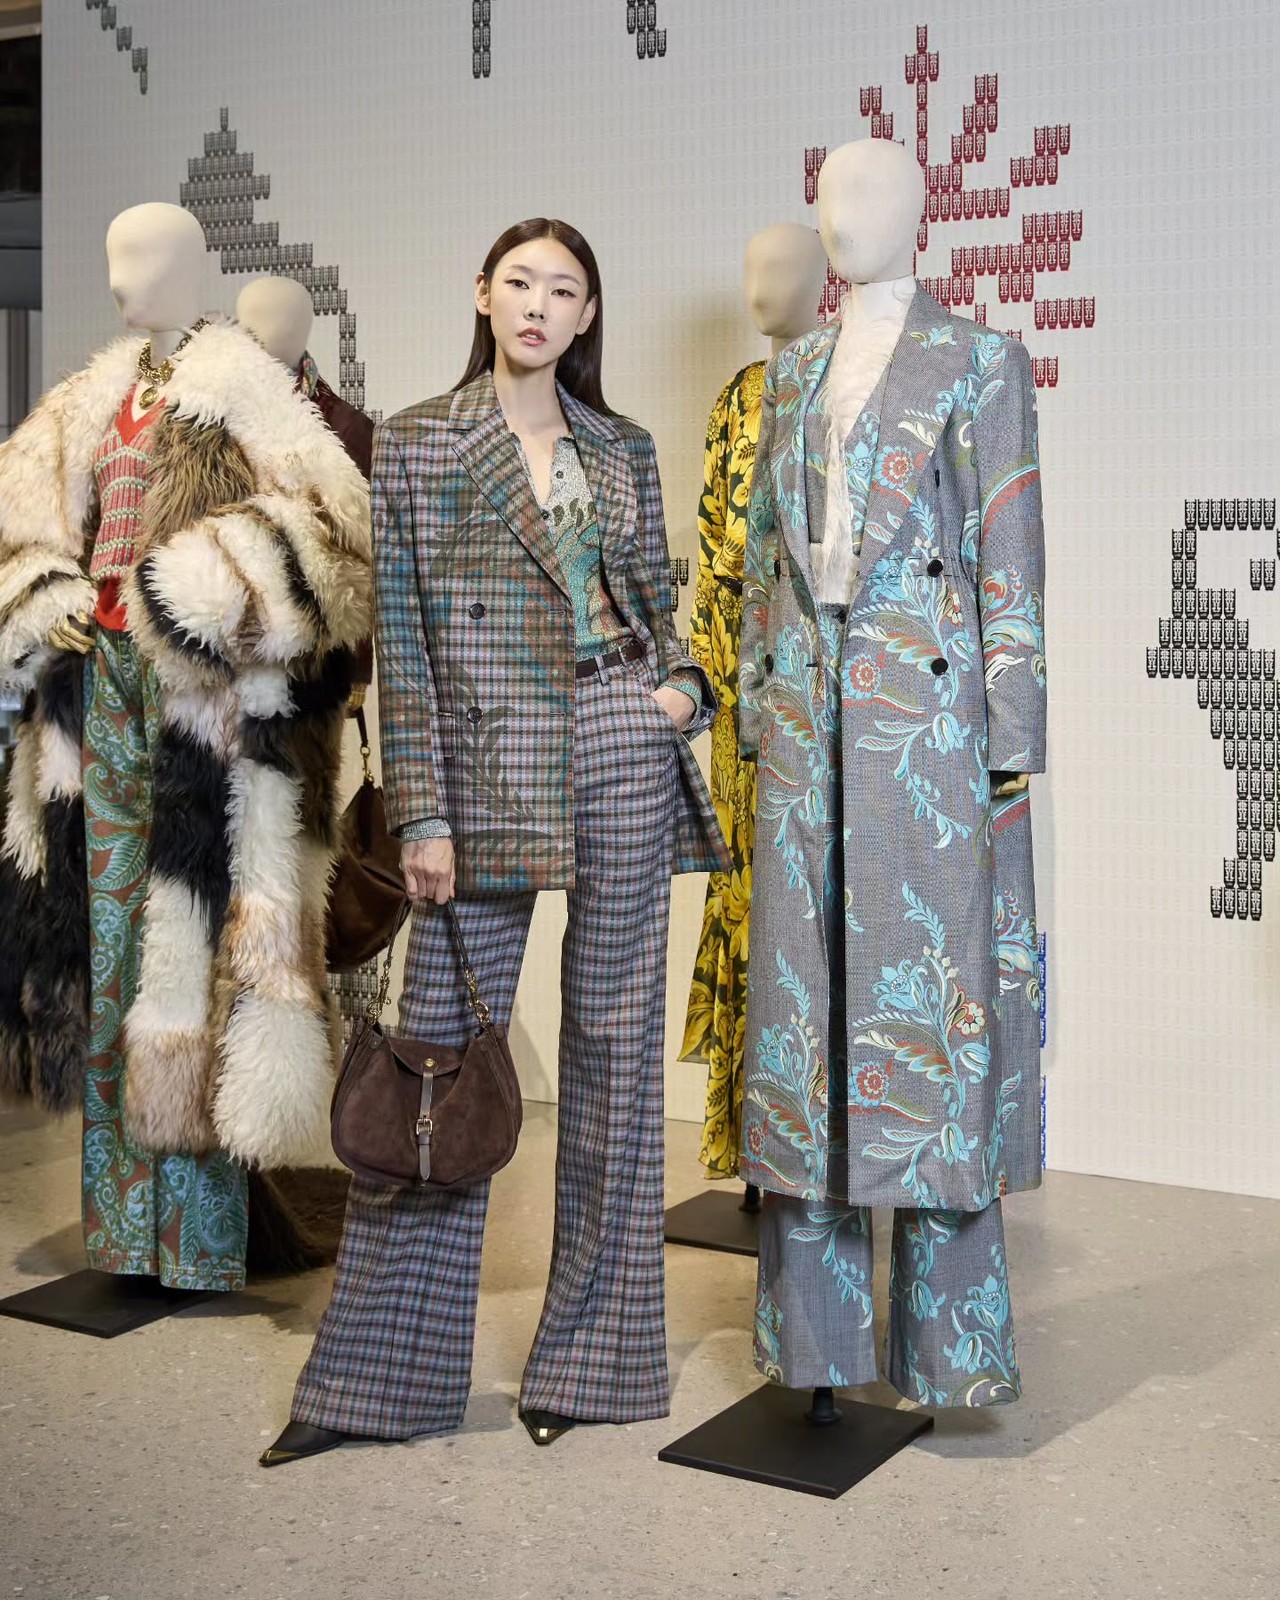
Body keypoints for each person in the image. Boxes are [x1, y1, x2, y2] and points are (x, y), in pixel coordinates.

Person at [261, 218, 727, 1467]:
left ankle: (595, 1362)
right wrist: (418, 812)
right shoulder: (421, 439)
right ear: (482, 293)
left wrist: (679, 692)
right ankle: (377, 1382)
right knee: (435, 1060)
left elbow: (656, 599)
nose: (537, 303)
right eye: (519, 281)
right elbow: (403, 645)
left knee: (617, 1062)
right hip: (481, 771)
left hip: (620, 742)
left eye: (563, 288)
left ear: (585, 315)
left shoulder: (621, 447)